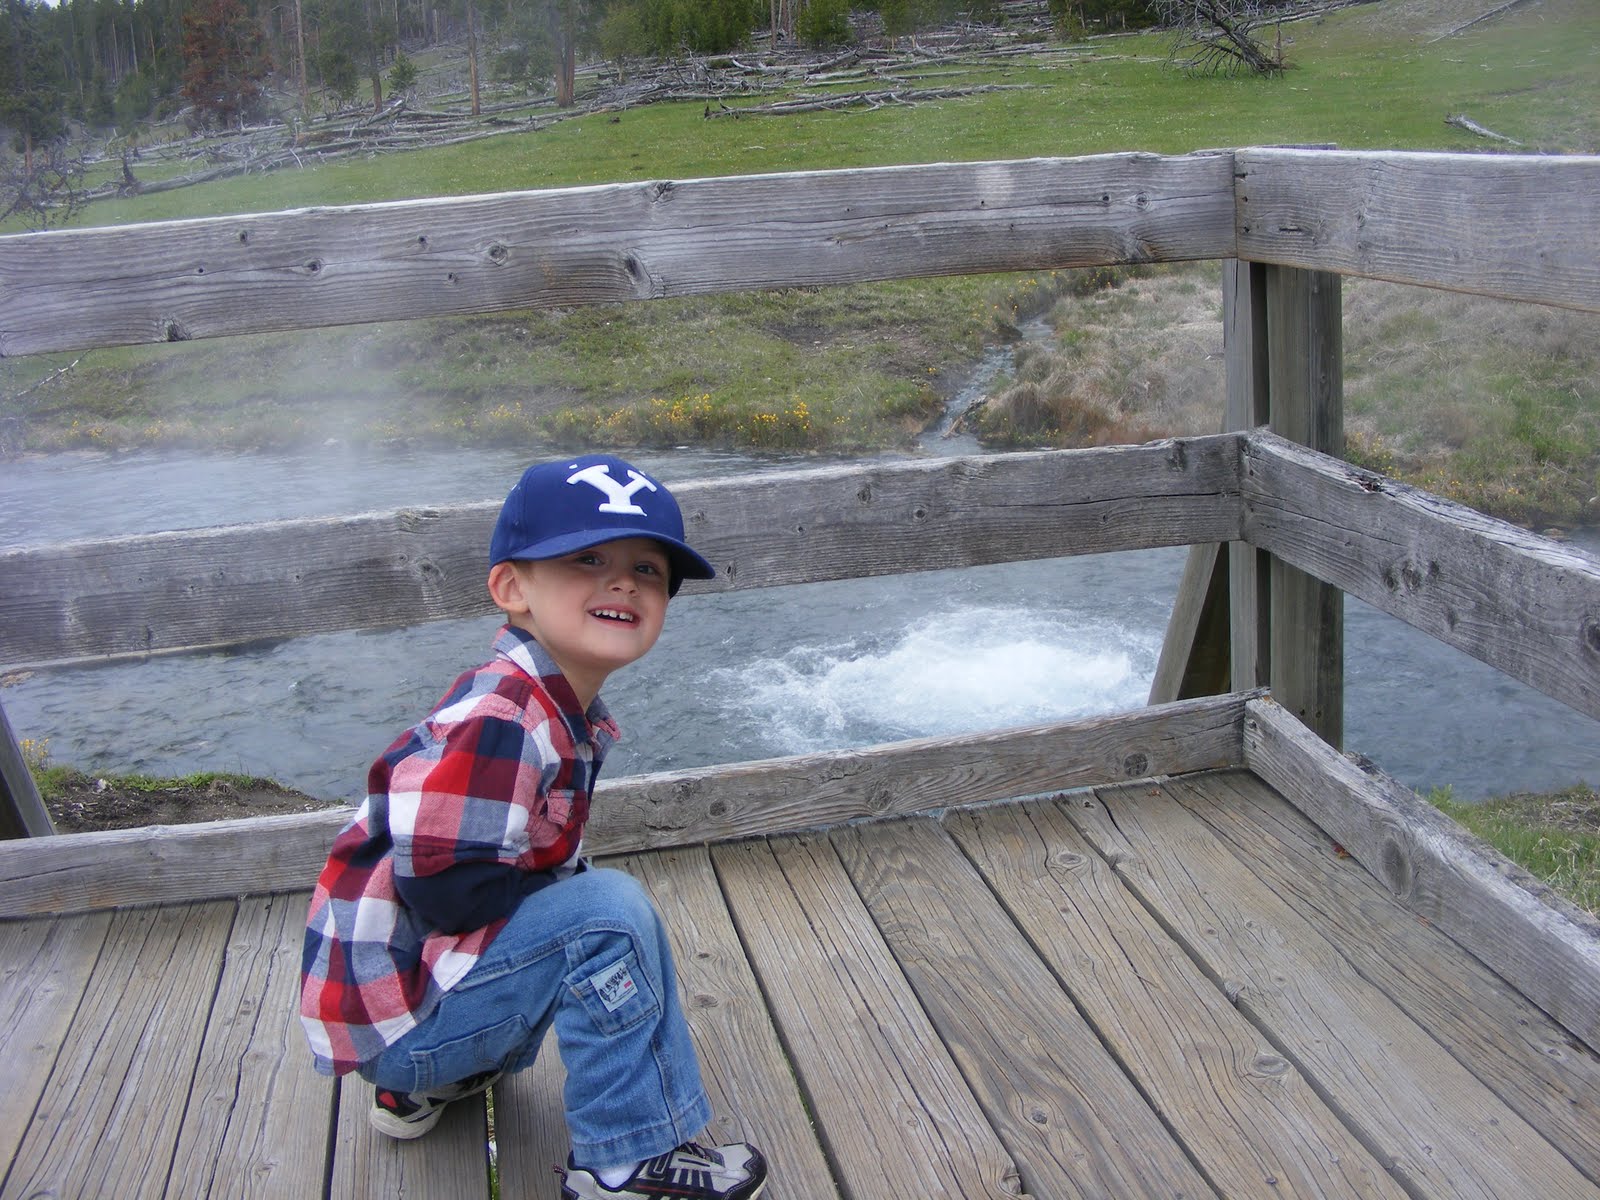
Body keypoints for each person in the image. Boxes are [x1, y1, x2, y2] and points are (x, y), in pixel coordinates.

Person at [300, 454, 767, 1200]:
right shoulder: (503, 717)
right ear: (511, 589)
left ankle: (425, 1086)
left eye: (648, 569)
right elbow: (443, 886)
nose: (623, 582)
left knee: (581, 907)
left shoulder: (546, 705)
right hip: (405, 1030)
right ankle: (623, 1163)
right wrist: (562, 919)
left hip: (397, 1018)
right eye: (588, 559)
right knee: (608, 917)